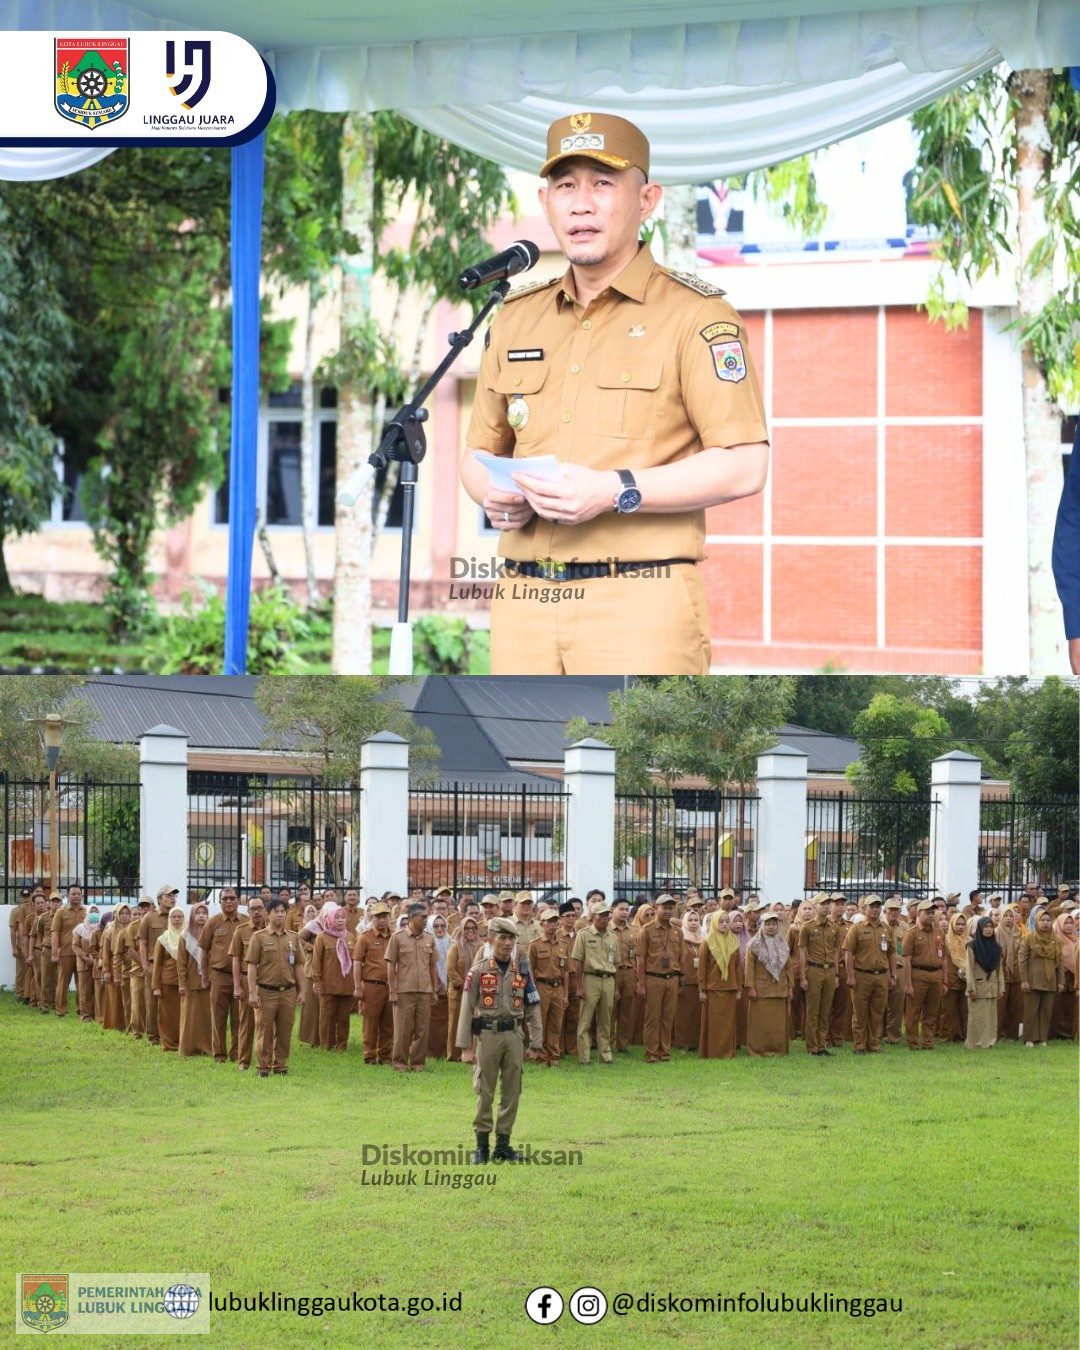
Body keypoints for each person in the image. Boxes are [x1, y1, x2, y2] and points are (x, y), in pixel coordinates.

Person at [461, 112, 770, 676]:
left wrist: (615, 490)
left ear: (647, 198)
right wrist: (494, 494)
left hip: (639, 601)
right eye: (565, 185)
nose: (581, 204)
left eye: (602, 184)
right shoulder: (514, 319)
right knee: (518, 758)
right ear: (545, 200)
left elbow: (746, 466)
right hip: (523, 604)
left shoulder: (697, 316)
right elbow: (478, 455)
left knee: (639, 764)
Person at [456, 917, 542, 1163]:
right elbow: (466, 1007)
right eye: (502, 938)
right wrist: (465, 1048)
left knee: (512, 1091)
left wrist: (536, 1042)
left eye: (511, 938)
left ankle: (503, 1145)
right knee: (485, 1089)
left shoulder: (522, 969)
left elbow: (533, 1004)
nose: (507, 943)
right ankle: (481, 1147)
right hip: (488, 1035)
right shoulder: (479, 970)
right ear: (491, 939)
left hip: (514, 1035)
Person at [246, 899, 305, 1076]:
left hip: (288, 992)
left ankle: (280, 1065)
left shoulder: (293, 937)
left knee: (285, 1031)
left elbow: (299, 966)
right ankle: (263, 1067)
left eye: (282, 911)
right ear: (268, 914)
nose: (280, 914)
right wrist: (251, 992)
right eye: (276, 911)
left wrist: (302, 991)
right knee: (264, 1031)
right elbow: (251, 966)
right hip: (265, 992)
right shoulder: (259, 937)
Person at [385, 902, 439, 1072]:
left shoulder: (430, 938)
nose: (425, 920)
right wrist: (392, 990)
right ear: (412, 918)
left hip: (424, 991)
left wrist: (435, 989)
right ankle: (399, 1062)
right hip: (403, 991)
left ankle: (418, 1063)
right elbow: (391, 965)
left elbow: (432, 966)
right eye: (423, 917)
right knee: (403, 1029)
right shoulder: (397, 937)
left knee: (422, 1030)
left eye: (426, 917)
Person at [841, 895, 895, 1054]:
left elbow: (892, 953)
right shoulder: (856, 928)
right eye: (872, 906)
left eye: (878, 906)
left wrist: (893, 976)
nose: (875, 909)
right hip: (862, 976)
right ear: (864, 909)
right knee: (860, 1012)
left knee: (877, 1012)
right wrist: (850, 976)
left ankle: (874, 1044)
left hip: (881, 976)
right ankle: (859, 1045)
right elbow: (848, 952)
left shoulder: (886, 929)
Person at [570, 899, 619, 1066]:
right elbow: (577, 962)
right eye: (602, 916)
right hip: (590, 978)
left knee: (605, 1020)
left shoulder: (613, 936)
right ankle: (584, 1057)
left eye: (607, 915)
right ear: (593, 917)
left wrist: (616, 987)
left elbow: (616, 964)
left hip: (609, 979)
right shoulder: (584, 934)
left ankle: (605, 1055)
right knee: (585, 1020)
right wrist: (579, 986)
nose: (605, 918)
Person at [636, 893, 683, 1063]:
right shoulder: (646, 930)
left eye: (671, 908)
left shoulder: (678, 931)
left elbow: (681, 957)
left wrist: (680, 979)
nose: (668, 911)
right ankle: (651, 1053)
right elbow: (640, 958)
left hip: (672, 978)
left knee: (668, 1017)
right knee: (652, 1018)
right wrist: (641, 983)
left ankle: (664, 1052)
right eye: (665, 907)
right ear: (656, 908)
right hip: (653, 978)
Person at [198, 886, 243, 1062]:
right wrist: (204, 976)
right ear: (220, 901)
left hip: (241, 978)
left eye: (232, 898)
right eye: (225, 899)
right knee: (218, 1018)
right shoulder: (213, 922)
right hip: (218, 975)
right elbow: (204, 951)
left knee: (239, 1019)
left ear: (238, 900)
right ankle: (219, 1054)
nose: (229, 901)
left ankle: (237, 1053)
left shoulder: (245, 922)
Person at [744, 913, 792, 1056]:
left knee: (778, 1023)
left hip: (780, 988)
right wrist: (751, 987)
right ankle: (758, 1050)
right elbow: (749, 968)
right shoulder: (754, 944)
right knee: (760, 1022)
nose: (771, 927)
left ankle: (778, 1050)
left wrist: (790, 988)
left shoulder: (783, 943)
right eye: (768, 924)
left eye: (774, 924)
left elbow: (788, 967)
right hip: (761, 990)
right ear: (762, 926)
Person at [799, 893, 840, 1057]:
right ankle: (812, 1046)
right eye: (822, 903)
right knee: (813, 1010)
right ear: (815, 906)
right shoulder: (807, 927)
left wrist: (836, 974)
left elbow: (836, 952)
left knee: (825, 1010)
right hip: (814, 970)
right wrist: (802, 976)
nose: (826, 906)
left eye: (828, 903)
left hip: (829, 970)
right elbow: (802, 953)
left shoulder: (834, 927)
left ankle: (822, 1045)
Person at [353, 901, 394, 1065]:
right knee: (370, 1022)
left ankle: (385, 1056)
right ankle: (369, 1055)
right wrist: (357, 987)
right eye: (378, 917)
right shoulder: (365, 937)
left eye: (385, 916)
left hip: (390, 987)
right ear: (372, 918)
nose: (382, 920)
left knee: (388, 1023)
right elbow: (357, 963)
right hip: (371, 986)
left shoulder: (395, 936)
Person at [229, 895, 267, 1071]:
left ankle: (267, 1059)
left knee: (268, 1023)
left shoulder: (273, 930)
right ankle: (244, 1060)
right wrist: (237, 985)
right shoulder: (241, 931)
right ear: (248, 911)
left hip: (268, 982)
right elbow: (236, 959)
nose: (257, 912)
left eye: (259, 908)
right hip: (246, 980)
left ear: (265, 910)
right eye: (253, 909)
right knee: (246, 1022)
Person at [310, 902, 355, 1051]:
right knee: (327, 1018)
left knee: (344, 1018)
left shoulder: (350, 936)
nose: (341, 920)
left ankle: (342, 1045)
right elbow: (316, 961)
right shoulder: (322, 938)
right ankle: (326, 1046)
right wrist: (317, 982)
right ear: (329, 919)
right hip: (327, 985)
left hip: (346, 984)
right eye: (337, 917)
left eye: (343, 917)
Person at [901, 900, 944, 1050]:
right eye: (927, 913)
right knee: (913, 1013)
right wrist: (907, 984)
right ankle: (913, 1043)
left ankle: (928, 1042)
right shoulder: (911, 933)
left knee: (932, 1013)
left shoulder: (939, 932)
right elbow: (906, 960)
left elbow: (943, 957)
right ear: (919, 914)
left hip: (936, 975)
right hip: (918, 975)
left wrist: (943, 980)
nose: (931, 915)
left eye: (932, 913)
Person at [528, 909, 568, 1066]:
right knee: (540, 1023)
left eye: (555, 921)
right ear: (541, 924)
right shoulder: (535, 945)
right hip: (541, 987)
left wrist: (564, 994)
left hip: (558, 987)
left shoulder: (563, 945)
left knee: (556, 1024)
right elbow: (529, 972)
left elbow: (566, 972)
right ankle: (541, 1056)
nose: (553, 925)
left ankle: (554, 1056)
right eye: (549, 921)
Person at [698, 911, 740, 1059]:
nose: (724, 924)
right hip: (713, 988)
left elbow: (737, 968)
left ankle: (727, 1052)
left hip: (730, 988)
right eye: (721, 921)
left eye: (727, 921)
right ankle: (713, 1052)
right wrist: (702, 988)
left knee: (728, 1023)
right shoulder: (707, 942)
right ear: (715, 923)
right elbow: (702, 967)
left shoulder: (734, 941)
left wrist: (738, 988)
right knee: (714, 1022)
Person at [139, 884, 178, 1045]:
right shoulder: (149, 917)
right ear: (160, 899)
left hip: (173, 966)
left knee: (171, 1002)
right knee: (152, 1001)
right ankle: (153, 1036)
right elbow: (142, 942)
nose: (173, 898)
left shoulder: (177, 916)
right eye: (169, 896)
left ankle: (170, 1034)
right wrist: (144, 966)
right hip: (153, 965)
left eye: (174, 895)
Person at [1019, 910, 1063, 1047]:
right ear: (1037, 922)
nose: (1045, 923)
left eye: (1048, 920)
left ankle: (1043, 1039)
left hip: (1050, 981)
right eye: (1042, 920)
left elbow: (1060, 963)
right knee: (1030, 1011)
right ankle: (1029, 1039)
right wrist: (1024, 980)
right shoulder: (1029, 938)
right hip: (1032, 981)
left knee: (1046, 1011)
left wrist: (1061, 982)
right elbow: (1022, 960)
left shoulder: (1056, 941)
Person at [178, 903, 213, 1057]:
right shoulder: (185, 935)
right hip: (191, 981)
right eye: (197, 913)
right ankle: (188, 1047)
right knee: (190, 1016)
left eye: (204, 913)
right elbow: (181, 962)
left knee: (208, 1015)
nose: (201, 916)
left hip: (211, 980)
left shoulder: (213, 933)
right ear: (192, 916)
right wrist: (182, 982)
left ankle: (208, 1047)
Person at [447, 915, 483, 1063]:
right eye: (467, 928)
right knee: (456, 1022)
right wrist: (465, 986)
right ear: (462, 929)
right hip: (458, 991)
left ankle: (473, 1053)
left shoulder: (482, 946)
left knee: (475, 1022)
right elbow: (450, 969)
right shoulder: (456, 946)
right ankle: (453, 1055)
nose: (470, 931)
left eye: (473, 928)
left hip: (477, 992)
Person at [964, 916, 1004, 1049]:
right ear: (980, 929)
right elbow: (969, 969)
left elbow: (999, 970)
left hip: (992, 987)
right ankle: (975, 1043)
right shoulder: (972, 946)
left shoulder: (997, 948)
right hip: (978, 987)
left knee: (991, 1017)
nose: (988, 929)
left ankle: (989, 1042)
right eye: (985, 927)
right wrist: (971, 988)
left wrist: (1000, 987)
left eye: (991, 927)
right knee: (977, 1017)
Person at [50, 884, 86, 1016]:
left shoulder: (85, 912)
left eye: (78, 894)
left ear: (81, 896)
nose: (76, 896)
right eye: (73, 894)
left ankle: (81, 1008)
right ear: (68, 896)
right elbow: (55, 934)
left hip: (81, 954)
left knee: (81, 982)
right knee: (63, 982)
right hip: (65, 953)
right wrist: (54, 953)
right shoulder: (61, 912)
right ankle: (60, 1009)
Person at [610, 899, 637, 1053]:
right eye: (621, 909)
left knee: (626, 1010)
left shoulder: (634, 930)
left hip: (629, 972)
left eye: (627, 909)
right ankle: (609, 1043)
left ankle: (623, 1045)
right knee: (610, 1010)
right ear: (613, 910)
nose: (624, 912)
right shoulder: (607, 930)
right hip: (613, 972)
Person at [674, 907, 702, 1050]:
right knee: (683, 1014)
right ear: (684, 922)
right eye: (690, 920)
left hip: (699, 983)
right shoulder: (681, 939)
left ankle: (695, 1042)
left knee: (697, 1014)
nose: (693, 922)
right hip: (685, 982)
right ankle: (682, 1043)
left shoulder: (703, 939)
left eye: (696, 920)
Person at [940, 911, 971, 1044]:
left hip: (965, 979)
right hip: (950, 979)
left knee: (964, 1010)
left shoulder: (969, 940)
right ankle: (946, 1037)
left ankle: (962, 1035)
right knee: (948, 1010)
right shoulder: (946, 939)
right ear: (952, 924)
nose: (960, 927)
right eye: (957, 924)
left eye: (963, 924)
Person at [996, 903, 1024, 1040]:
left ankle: (1012, 1034)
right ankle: (998, 1033)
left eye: (1011, 916)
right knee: (1000, 1006)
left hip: (1017, 972)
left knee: (1015, 1005)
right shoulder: (996, 932)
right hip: (1001, 972)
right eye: (1005, 915)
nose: (1008, 918)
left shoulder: (1019, 933)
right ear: (1001, 917)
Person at [881, 897, 908, 1044]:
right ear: (885, 910)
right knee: (880, 1003)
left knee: (897, 1004)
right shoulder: (879, 925)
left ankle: (893, 1036)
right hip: (882, 968)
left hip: (899, 967)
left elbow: (906, 949)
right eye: (891, 909)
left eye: (897, 909)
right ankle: (878, 1033)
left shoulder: (904, 927)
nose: (894, 912)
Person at [1048, 913, 1077, 1040]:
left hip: (1073, 979)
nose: (1069, 925)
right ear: (1059, 924)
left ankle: (1070, 1032)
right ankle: (1055, 1032)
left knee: (1070, 1006)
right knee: (1057, 1006)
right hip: (1059, 978)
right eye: (1066, 923)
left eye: (1071, 923)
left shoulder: (1075, 939)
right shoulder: (1054, 940)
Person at [428, 914, 453, 1060]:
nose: (439, 929)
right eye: (436, 926)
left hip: (450, 988)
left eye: (443, 925)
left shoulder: (451, 941)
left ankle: (446, 1051)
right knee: (434, 1023)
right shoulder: (428, 942)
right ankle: (432, 1053)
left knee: (448, 1022)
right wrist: (436, 986)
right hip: (434, 988)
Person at [102, 904, 130, 1031]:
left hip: (129, 967)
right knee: (114, 997)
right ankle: (113, 1024)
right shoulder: (109, 932)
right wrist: (106, 971)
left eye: (127, 913)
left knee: (128, 997)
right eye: (121, 914)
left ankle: (127, 1024)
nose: (124, 916)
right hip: (114, 967)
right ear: (116, 916)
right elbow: (105, 953)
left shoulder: (132, 930)